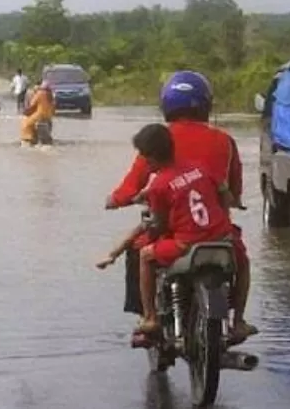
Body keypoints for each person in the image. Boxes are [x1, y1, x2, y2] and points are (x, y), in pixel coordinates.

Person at [104, 70, 253, 342]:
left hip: (175, 233)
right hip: (217, 230)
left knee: (139, 251)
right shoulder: (224, 140)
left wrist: (114, 200)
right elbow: (234, 190)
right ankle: (239, 320)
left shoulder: (158, 140)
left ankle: (147, 319)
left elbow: (131, 186)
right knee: (241, 260)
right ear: (206, 103)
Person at [21, 80, 55, 146]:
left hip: (39, 115)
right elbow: (53, 108)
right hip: (48, 117)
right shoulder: (51, 95)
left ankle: (27, 139)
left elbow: (32, 105)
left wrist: (25, 112)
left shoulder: (40, 93)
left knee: (26, 123)